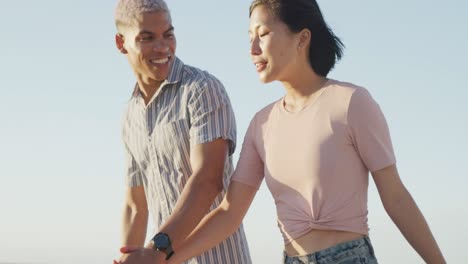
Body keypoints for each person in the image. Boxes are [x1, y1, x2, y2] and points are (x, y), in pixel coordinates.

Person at [159, 0, 447, 263]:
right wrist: (163, 258)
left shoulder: (351, 102)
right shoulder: (261, 124)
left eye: (263, 34)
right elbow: (229, 213)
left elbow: (396, 197)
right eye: (249, 38)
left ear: (302, 38)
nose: (253, 49)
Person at [112, 0, 252, 263]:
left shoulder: (202, 89)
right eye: (147, 38)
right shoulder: (130, 115)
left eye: (168, 34)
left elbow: (207, 180)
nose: (163, 47)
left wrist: (156, 251)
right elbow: (135, 206)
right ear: (121, 43)